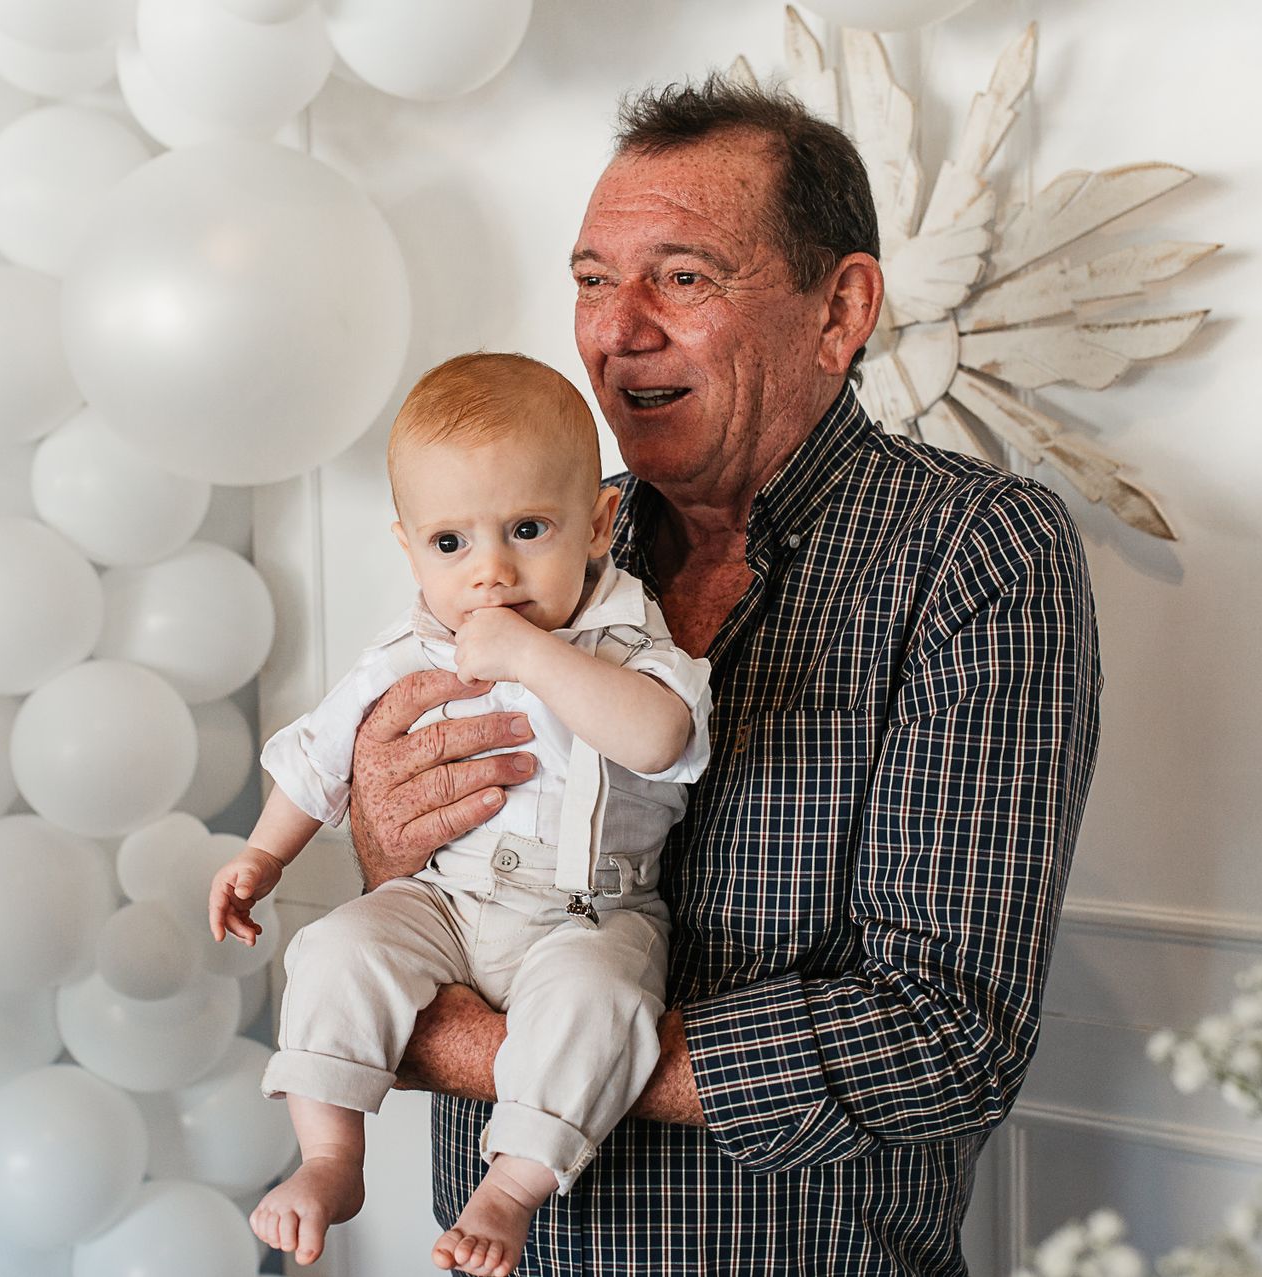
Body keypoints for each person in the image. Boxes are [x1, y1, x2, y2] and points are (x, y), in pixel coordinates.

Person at [339, 77, 1104, 1275]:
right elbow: (420, 872)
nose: (616, 327)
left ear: (840, 307)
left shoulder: (977, 555)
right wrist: (385, 851)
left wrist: (495, 1050)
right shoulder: (527, 550)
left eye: (683, 276)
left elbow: (947, 1033)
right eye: (593, 278)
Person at [207, 352, 715, 1276]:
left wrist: (530, 654)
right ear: (409, 548)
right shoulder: (410, 646)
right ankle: (331, 1156)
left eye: (526, 529)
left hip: (589, 911)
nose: (489, 574)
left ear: (598, 525)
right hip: (447, 895)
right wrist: (262, 857)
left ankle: (512, 1186)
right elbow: (325, 752)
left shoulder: (629, 634)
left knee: (600, 1007)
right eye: (451, 544)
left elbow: (658, 737)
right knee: (335, 948)